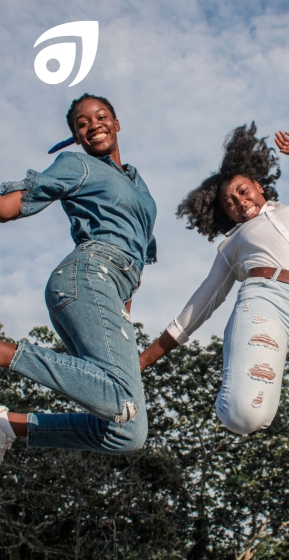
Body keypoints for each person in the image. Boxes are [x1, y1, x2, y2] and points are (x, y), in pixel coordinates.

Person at [139, 123, 289, 461]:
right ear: (225, 215)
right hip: (266, 303)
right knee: (245, 415)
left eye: (242, 191)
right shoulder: (233, 244)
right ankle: (238, 381)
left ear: (257, 186)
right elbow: (194, 312)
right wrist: (140, 362)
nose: (240, 201)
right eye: (229, 203)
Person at [0, 94, 157, 462]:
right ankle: (7, 354)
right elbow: (13, 204)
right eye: (82, 124)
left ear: (117, 123)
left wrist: (124, 315)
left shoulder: (137, 182)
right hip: (87, 276)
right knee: (122, 399)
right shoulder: (77, 165)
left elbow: (137, 255)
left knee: (128, 431)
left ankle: (8, 427)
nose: (94, 125)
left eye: (102, 116)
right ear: (76, 137)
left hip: (111, 291)